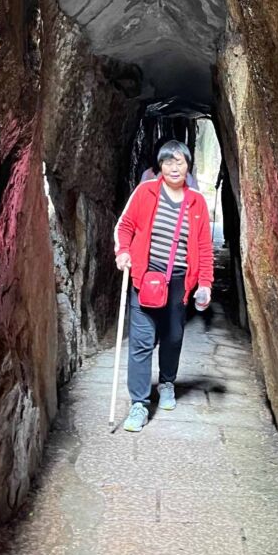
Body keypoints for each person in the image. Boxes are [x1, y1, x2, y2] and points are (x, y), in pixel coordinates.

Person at [114, 140, 214, 432]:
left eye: (179, 161)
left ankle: (167, 382)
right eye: (168, 161)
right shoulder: (145, 193)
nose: (174, 167)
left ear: (188, 166)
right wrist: (123, 251)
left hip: (179, 282)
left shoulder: (196, 203)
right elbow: (125, 226)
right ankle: (139, 404)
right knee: (142, 342)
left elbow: (205, 247)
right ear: (160, 166)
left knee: (172, 337)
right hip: (144, 278)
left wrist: (204, 283)